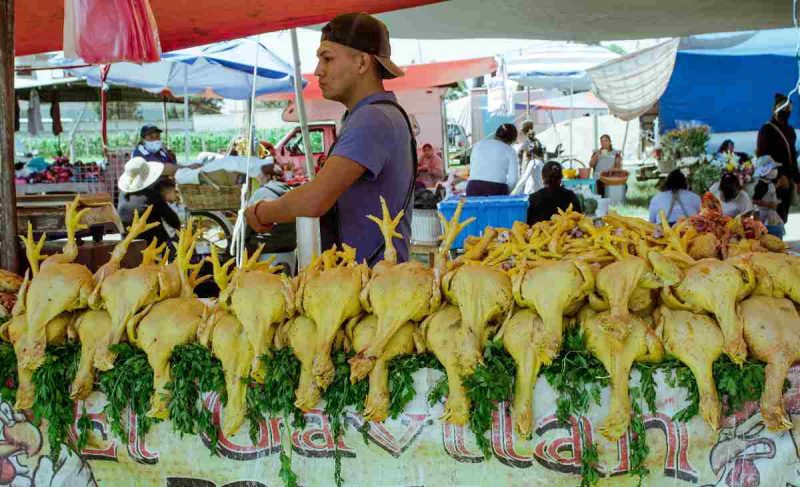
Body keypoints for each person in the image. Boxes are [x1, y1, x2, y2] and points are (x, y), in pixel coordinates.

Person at [244, 13, 415, 267]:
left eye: (328, 58)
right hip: (368, 282)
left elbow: (314, 199)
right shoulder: (375, 114)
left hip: (372, 285)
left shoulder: (372, 118)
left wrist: (261, 211)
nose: (318, 71)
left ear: (361, 62)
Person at [117, 157, 181, 246]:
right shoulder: (151, 196)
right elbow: (173, 221)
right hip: (151, 245)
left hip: (127, 243)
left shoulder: (123, 194)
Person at [757, 93, 800, 225]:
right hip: (774, 181)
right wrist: (779, 176)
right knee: (772, 219)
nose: (786, 111)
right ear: (775, 109)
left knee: (783, 217)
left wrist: (797, 179)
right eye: (783, 108)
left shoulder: (790, 130)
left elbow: (792, 156)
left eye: (789, 109)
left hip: (788, 180)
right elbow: (763, 158)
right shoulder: (767, 129)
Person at [246, 164, 297, 273]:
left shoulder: (260, 193)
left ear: (268, 176)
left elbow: (248, 223)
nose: (257, 177)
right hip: (289, 247)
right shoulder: (290, 192)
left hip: (265, 249)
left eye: (259, 175)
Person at [466, 123, 520, 196]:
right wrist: (505, 193)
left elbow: (472, 170)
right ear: (511, 140)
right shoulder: (510, 150)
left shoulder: (478, 145)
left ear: (496, 134)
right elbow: (513, 180)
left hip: (473, 188)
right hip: (497, 189)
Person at [752, 156, 786, 239]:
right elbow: (755, 200)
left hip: (771, 213)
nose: (775, 171)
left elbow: (769, 190)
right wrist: (768, 204)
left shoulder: (767, 182)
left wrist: (778, 185)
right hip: (764, 215)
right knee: (771, 235)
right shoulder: (761, 185)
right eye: (772, 168)